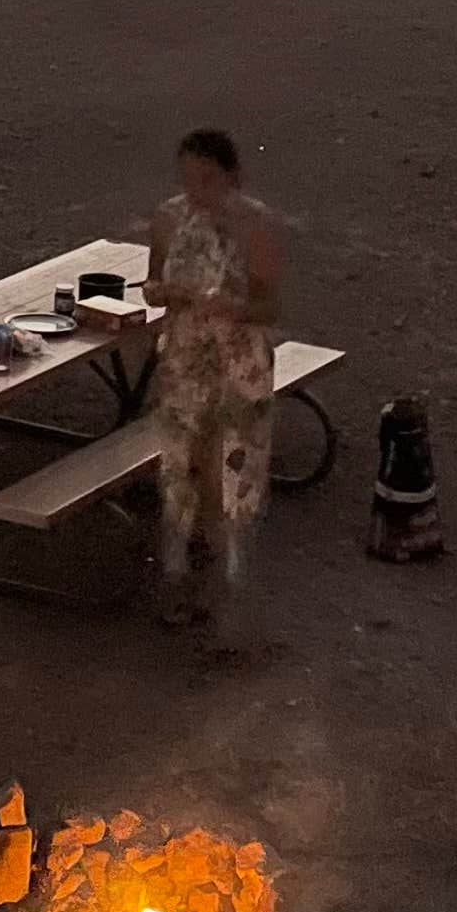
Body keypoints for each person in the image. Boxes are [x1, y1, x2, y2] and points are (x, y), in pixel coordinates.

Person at [136, 127, 287, 645]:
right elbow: (153, 284)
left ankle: (232, 602)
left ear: (231, 176)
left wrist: (234, 306)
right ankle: (178, 582)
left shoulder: (257, 225)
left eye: (207, 178)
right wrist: (163, 292)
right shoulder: (169, 218)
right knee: (181, 467)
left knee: (234, 474)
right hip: (184, 359)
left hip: (239, 363)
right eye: (188, 178)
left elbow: (269, 305)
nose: (196, 189)